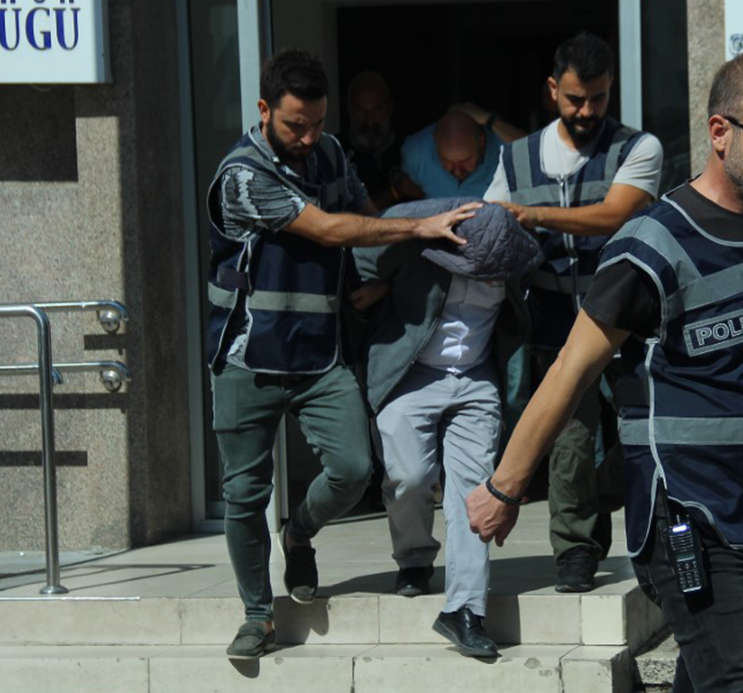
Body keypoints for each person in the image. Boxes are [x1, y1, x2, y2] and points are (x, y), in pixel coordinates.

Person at [468, 50, 743, 691]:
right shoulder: (651, 247)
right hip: (691, 516)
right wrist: (504, 487)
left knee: (704, 679)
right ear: (720, 132)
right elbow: (571, 369)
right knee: (738, 683)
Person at [205, 48, 476, 660]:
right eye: (295, 125)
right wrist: (418, 227)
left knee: (354, 470)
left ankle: (299, 534)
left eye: (318, 122)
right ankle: (257, 616)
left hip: (319, 355)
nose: (309, 137)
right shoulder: (242, 175)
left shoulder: (329, 153)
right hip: (247, 358)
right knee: (244, 495)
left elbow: (364, 221)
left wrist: (384, 274)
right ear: (264, 110)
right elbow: (328, 229)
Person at [482, 32, 665, 593]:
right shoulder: (515, 157)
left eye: (598, 98)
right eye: (575, 99)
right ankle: (575, 552)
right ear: (551, 90)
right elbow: (491, 224)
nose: (587, 111)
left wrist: (532, 216)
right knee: (569, 440)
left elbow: (614, 215)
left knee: (648, 430)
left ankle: (603, 495)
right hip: (555, 324)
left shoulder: (638, 147)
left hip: (629, 319)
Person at [352, 198, 538, 659]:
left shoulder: (512, 265)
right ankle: (414, 558)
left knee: (474, 492)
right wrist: (386, 280)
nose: (486, 275)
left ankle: (465, 610)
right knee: (410, 477)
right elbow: (360, 249)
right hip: (410, 373)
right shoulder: (419, 248)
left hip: (477, 378)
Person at [400, 106, 522, 199]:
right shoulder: (415, 154)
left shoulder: (506, 146)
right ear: (435, 143)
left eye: (466, 160)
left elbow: (532, 150)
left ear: (481, 142)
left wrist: (490, 120)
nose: (458, 171)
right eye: (447, 161)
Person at [343, 70, 421, 208]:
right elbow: (342, 214)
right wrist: (395, 192)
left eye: (377, 110)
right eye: (361, 111)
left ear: (390, 108)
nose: (370, 120)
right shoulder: (335, 152)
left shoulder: (410, 148)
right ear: (349, 110)